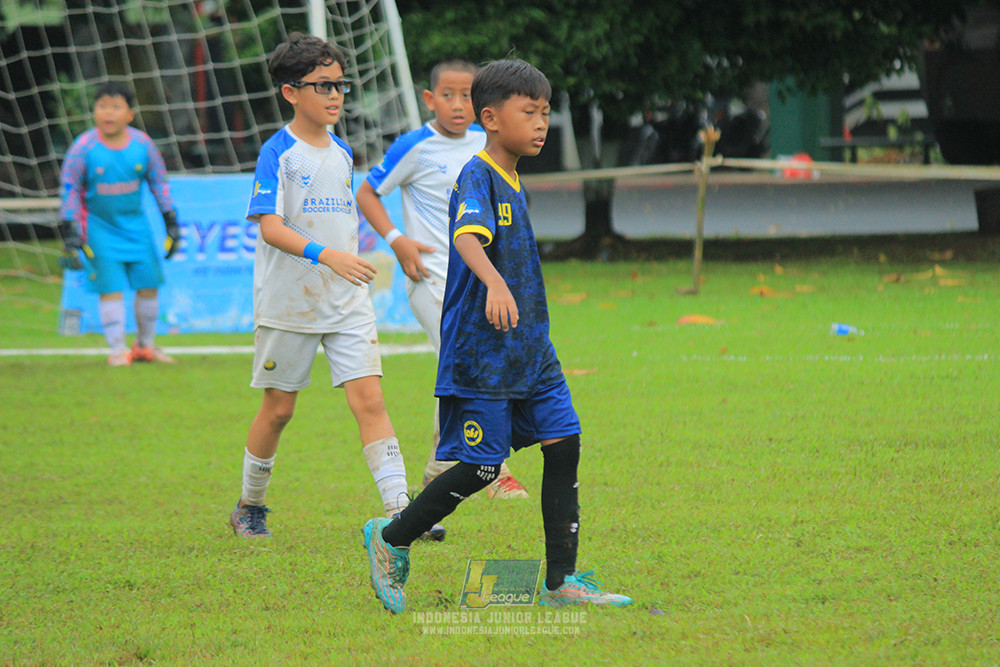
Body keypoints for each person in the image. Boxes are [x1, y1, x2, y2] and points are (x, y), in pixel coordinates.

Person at [361, 59, 632, 613]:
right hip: (483, 351)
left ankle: (561, 582)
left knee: (564, 445)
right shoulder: (478, 174)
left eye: (546, 112)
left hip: (530, 347)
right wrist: (494, 284)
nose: (541, 124)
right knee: (483, 467)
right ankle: (390, 539)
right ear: (491, 117)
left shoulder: (511, 176)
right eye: (529, 112)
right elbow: (466, 237)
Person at [229, 33, 409, 538]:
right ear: (291, 92)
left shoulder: (343, 152)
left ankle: (403, 511)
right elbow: (270, 226)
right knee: (279, 409)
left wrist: (350, 259)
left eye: (340, 85)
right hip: (290, 304)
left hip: (346, 300)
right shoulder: (278, 153)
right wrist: (327, 255)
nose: (335, 96)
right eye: (323, 86)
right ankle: (250, 506)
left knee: (369, 400)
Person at [357, 59, 530, 530]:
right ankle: (497, 472)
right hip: (435, 282)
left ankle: (439, 465)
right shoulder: (415, 146)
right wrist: (397, 240)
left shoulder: (488, 146)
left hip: (484, 283)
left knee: (467, 366)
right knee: (475, 364)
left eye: (466, 95)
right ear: (430, 99)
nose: (458, 105)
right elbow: (368, 193)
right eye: (447, 96)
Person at [59, 81, 181, 366]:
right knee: (110, 289)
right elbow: (70, 189)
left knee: (149, 285)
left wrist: (171, 223)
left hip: (137, 228)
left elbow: (159, 184)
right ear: (94, 112)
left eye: (115, 106)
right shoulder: (83, 148)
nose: (108, 113)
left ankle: (144, 347)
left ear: (130, 113)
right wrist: (70, 228)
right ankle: (117, 351)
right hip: (99, 230)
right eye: (102, 106)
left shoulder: (143, 146)